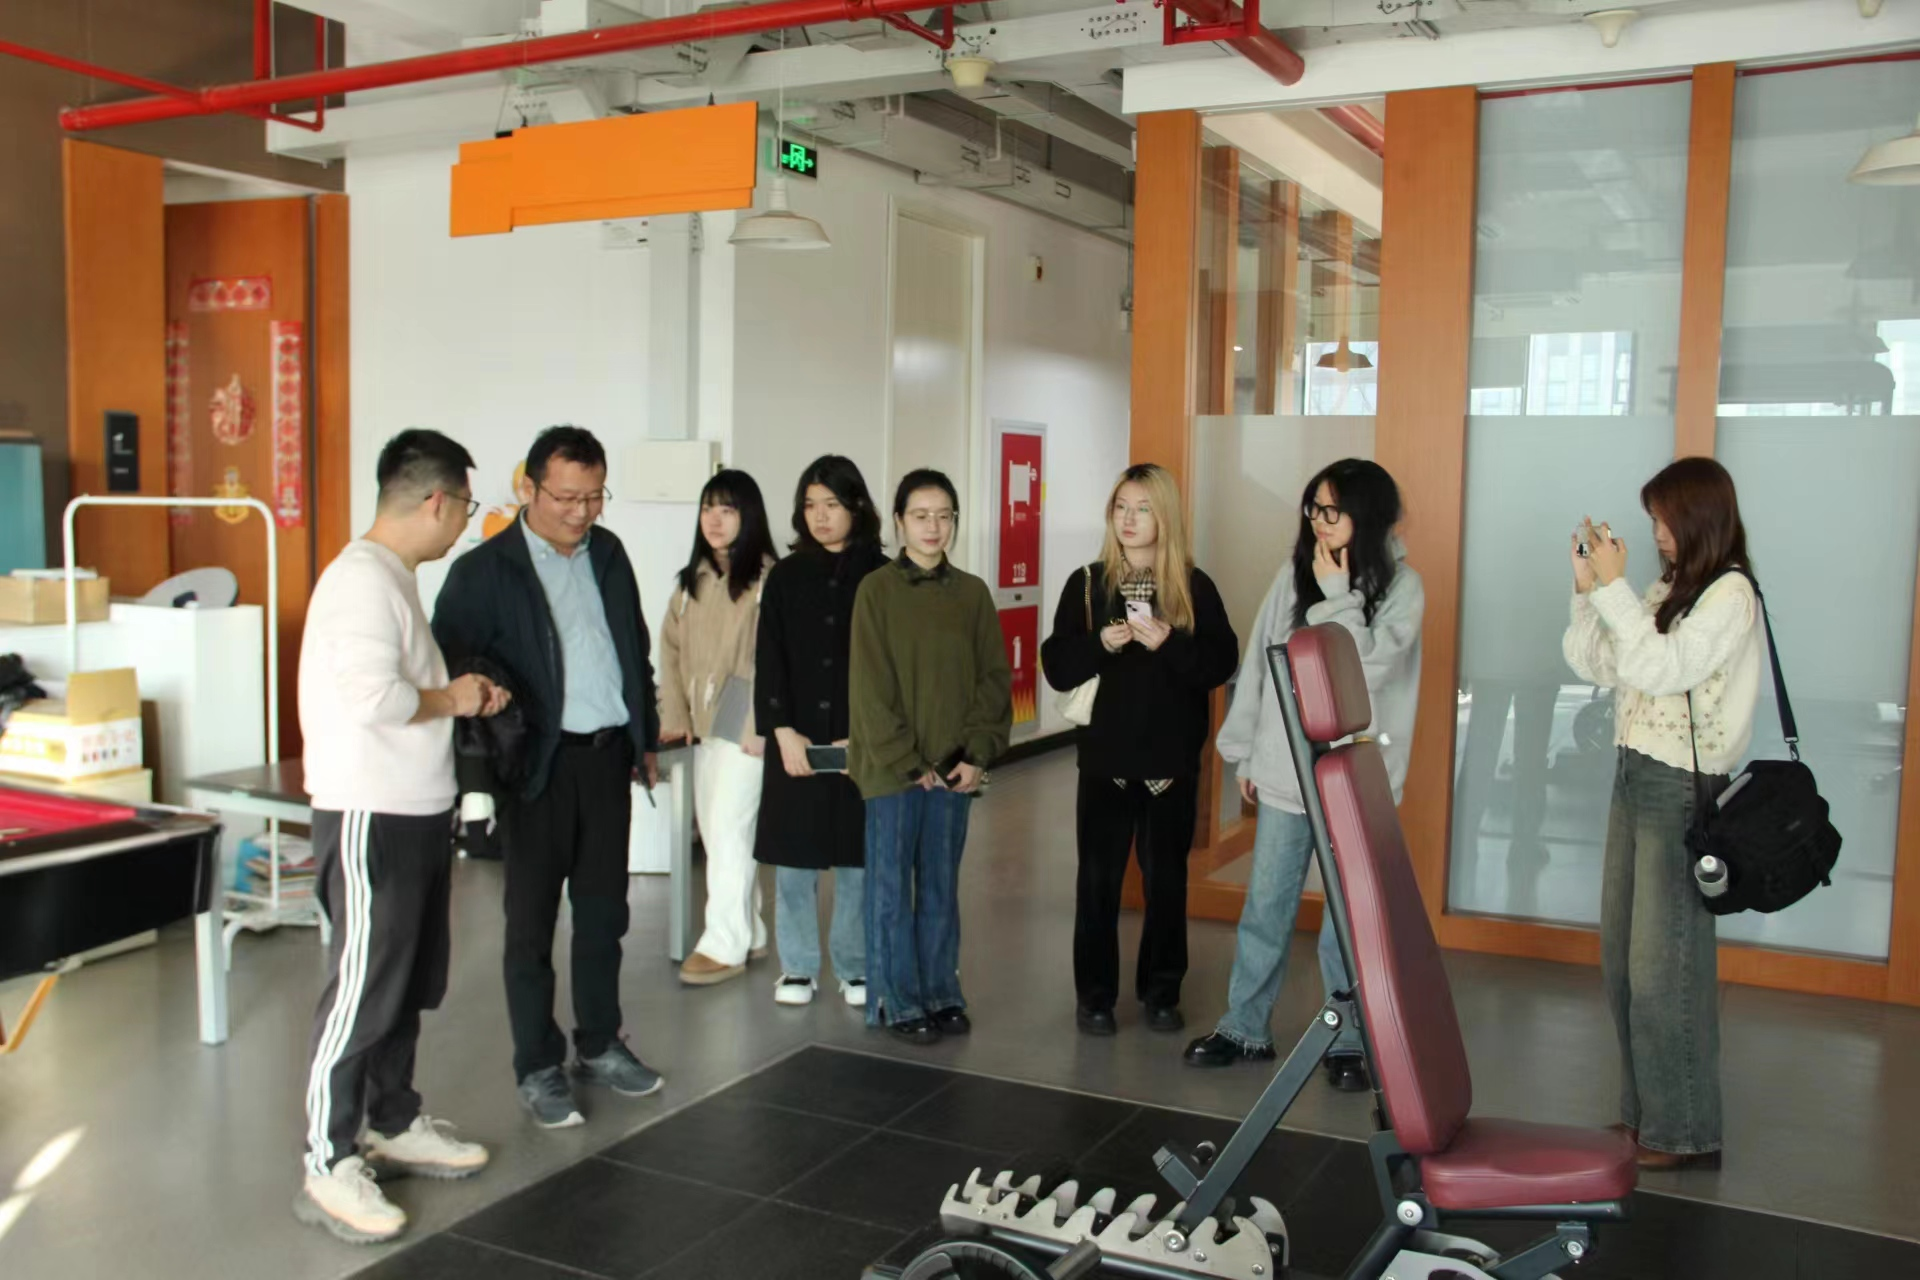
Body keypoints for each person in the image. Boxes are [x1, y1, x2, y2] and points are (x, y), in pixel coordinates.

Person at [295, 429, 507, 1243]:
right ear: (436, 501)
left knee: (406, 982)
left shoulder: (392, 579)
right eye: (465, 508)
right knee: (362, 989)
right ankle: (327, 1160)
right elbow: (373, 697)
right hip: (370, 814)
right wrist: (454, 698)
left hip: (414, 811)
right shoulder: (360, 581)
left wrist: (453, 697)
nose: (462, 524)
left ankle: (391, 1119)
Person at [432, 425, 664, 1130]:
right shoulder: (483, 572)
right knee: (529, 925)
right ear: (528, 487)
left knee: (604, 915)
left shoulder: (610, 553)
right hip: (535, 768)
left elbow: (633, 649)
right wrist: (477, 783)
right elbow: (456, 676)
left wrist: (644, 737)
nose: (581, 512)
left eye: (594, 497)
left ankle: (600, 1042)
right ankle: (538, 1064)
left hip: (606, 760)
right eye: (566, 497)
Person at [1183, 459, 1423, 1091]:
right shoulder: (1291, 577)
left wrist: (1339, 594)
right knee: (1266, 905)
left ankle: (1348, 1039)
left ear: (1366, 515)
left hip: (1353, 778)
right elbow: (1261, 667)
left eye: (1332, 509)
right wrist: (1244, 750)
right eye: (1314, 508)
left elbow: (1364, 670)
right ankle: (1244, 1026)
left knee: (1346, 920)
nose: (1319, 521)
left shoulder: (1403, 587)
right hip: (1286, 770)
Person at [1563, 456, 1760, 1171]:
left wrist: (1615, 590)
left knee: (1663, 968)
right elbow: (1599, 664)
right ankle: (1644, 1115)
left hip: (1682, 785)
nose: (1656, 533)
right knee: (1622, 961)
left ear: (1700, 515)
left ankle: (1683, 1132)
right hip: (1634, 772)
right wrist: (1589, 591)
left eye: (1665, 518)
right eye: (1653, 520)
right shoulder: (1671, 587)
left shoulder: (1731, 593)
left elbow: (1663, 668)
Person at [1040, 463, 1237, 1037]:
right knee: (1097, 885)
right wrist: (1100, 644)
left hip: (1169, 767)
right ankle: (1094, 998)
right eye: (1121, 507)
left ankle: (1161, 992)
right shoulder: (1087, 584)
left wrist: (1169, 642)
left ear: (1165, 516)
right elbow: (1057, 667)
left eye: (1143, 508)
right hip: (1105, 763)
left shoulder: (1193, 587)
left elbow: (1220, 664)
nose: (1129, 519)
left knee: (1166, 885)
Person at [848, 469, 1012, 1045]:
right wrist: (909, 761)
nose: (933, 526)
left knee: (941, 886)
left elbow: (994, 680)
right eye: (921, 515)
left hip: (952, 768)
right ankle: (899, 1000)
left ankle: (942, 993)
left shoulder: (972, 593)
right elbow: (870, 688)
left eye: (944, 516)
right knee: (891, 890)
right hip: (893, 772)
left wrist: (977, 753)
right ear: (899, 522)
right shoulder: (876, 591)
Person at [755, 456, 889, 1007]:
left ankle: (854, 967)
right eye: (810, 505)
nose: (820, 516)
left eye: (832, 504)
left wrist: (868, 734)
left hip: (861, 739)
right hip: (799, 735)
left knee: (858, 859)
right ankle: (798, 967)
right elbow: (770, 658)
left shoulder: (883, 575)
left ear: (856, 506)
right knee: (795, 860)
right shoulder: (786, 576)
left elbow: (891, 665)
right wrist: (781, 729)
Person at [659, 470, 779, 986]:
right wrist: (675, 717)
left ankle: (724, 942)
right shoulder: (691, 583)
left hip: (743, 712)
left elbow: (771, 656)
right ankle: (750, 929)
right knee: (718, 829)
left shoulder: (768, 579)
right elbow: (669, 651)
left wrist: (759, 723)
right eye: (708, 508)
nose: (715, 519)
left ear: (748, 516)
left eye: (728, 509)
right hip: (703, 717)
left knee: (728, 828)